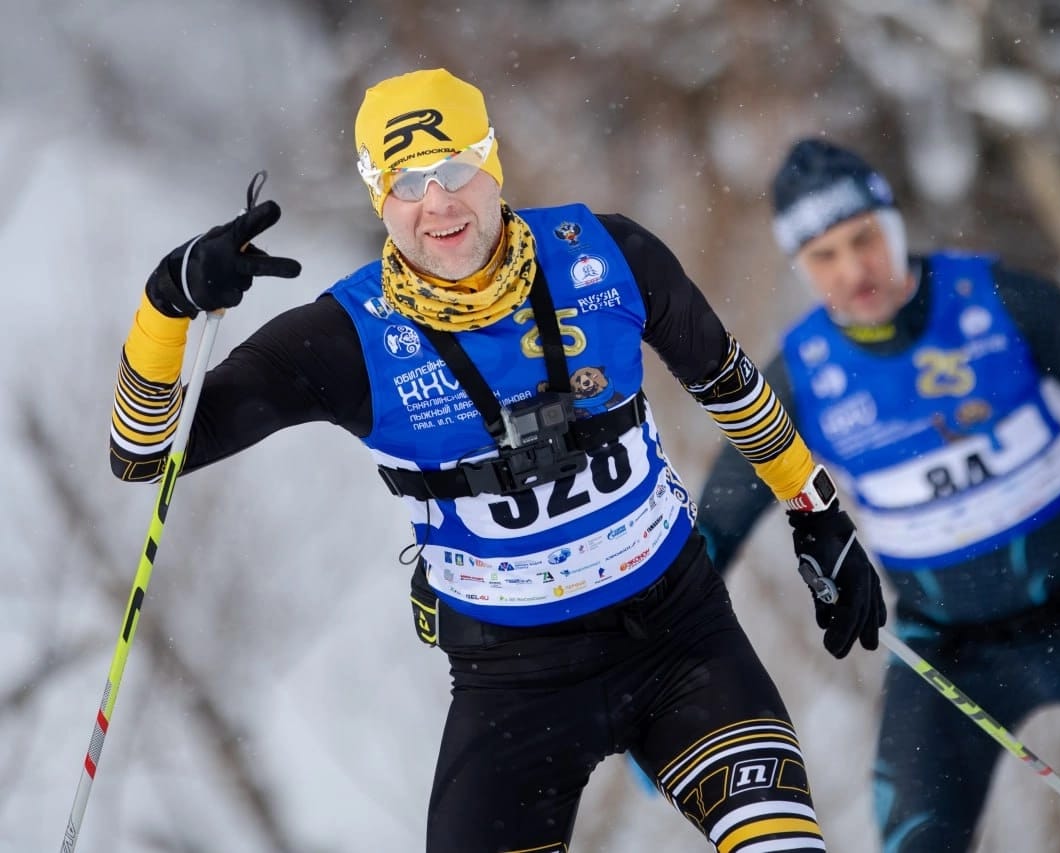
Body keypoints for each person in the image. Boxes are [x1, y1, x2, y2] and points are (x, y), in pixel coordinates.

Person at [107, 70, 888, 852]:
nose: (437, 202)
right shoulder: (348, 337)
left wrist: (816, 511)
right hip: (513, 682)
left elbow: (728, 384)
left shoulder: (606, 255)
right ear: (378, 196)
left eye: (454, 170)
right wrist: (166, 303)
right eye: (406, 182)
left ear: (493, 166)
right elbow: (144, 454)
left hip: (679, 638)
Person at [696, 137, 1060, 851]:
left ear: (893, 224)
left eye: (865, 238)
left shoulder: (994, 298)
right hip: (952, 649)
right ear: (801, 267)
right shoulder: (801, 375)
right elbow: (713, 529)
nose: (854, 269)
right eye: (824, 255)